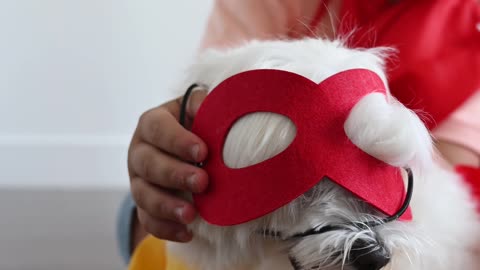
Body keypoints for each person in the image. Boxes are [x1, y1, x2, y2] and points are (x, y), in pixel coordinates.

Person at [118, 0, 480, 266]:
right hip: (243, 212)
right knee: (142, 213)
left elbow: (450, 186)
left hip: (414, 210)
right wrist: (170, 142)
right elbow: (201, 106)